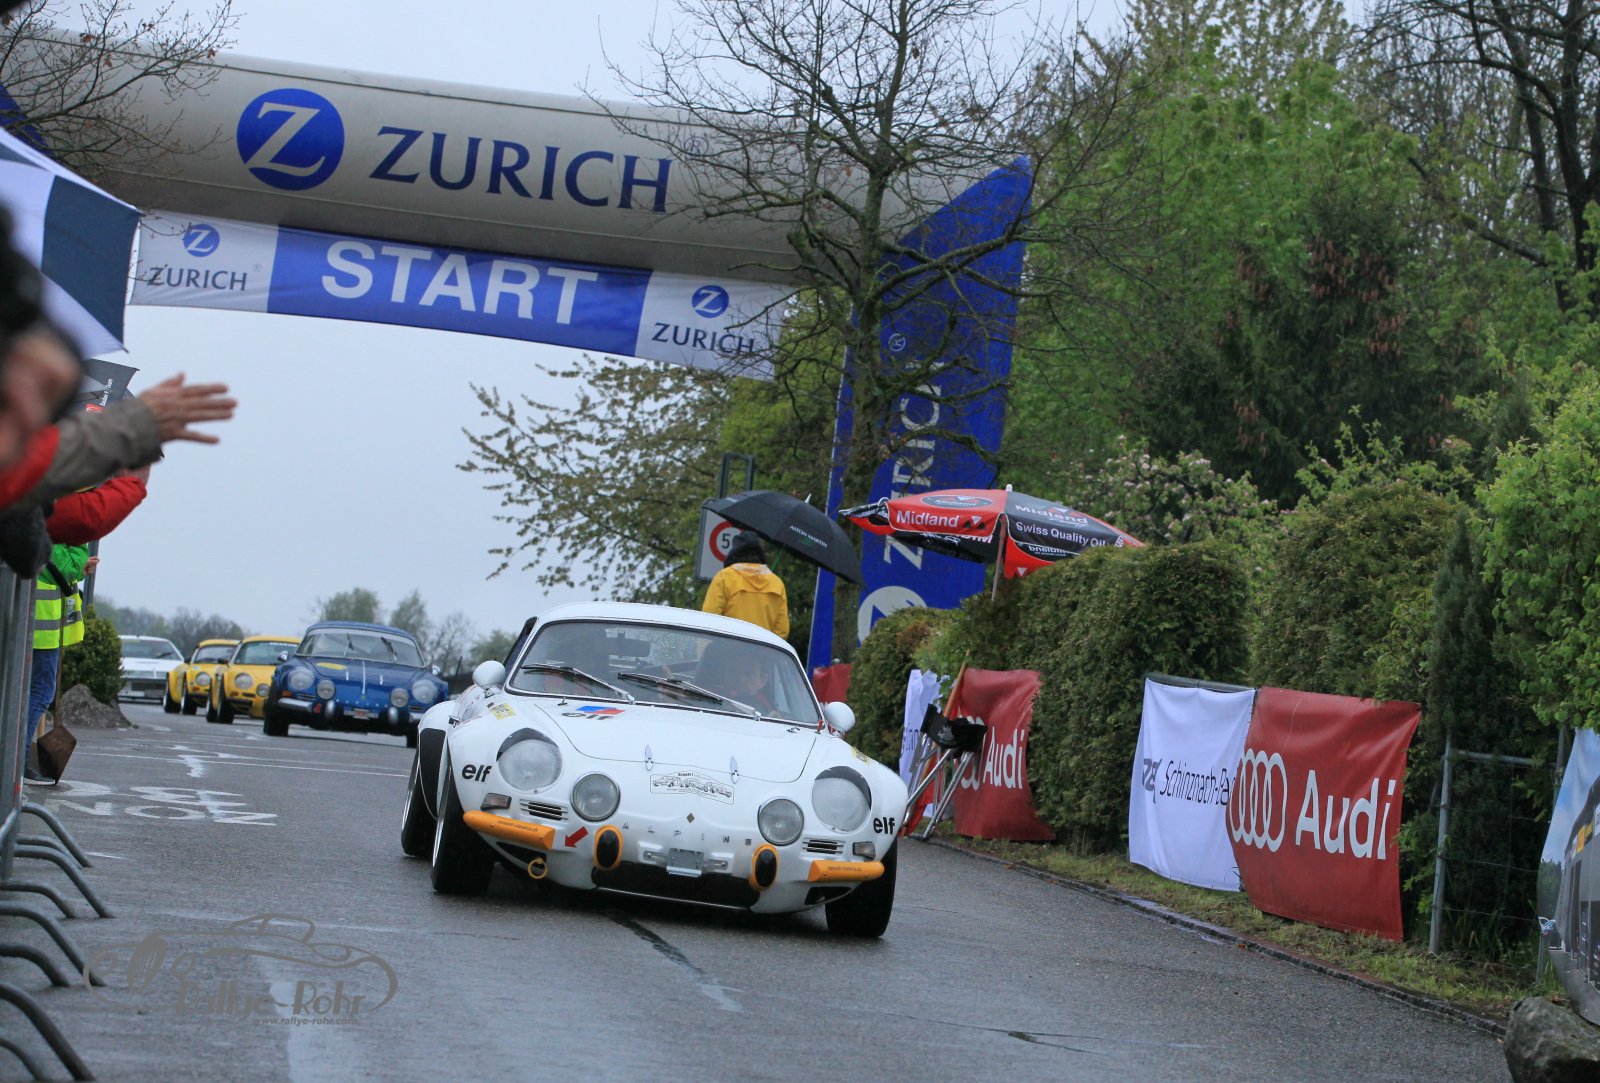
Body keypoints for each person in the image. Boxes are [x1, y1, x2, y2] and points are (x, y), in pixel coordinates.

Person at [701, 531, 789, 639]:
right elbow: (782, 631)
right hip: (762, 649)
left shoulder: (724, 577)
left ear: (734, 553)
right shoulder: (777, 584)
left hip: (728, 646)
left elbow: (709, 619)